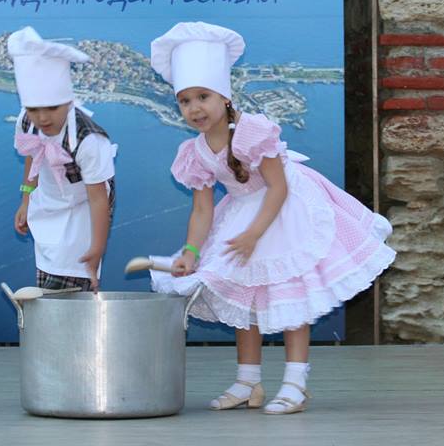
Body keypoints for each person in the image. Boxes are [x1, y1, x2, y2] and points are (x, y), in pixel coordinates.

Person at [148, 21, 395, 414]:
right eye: (184, 100)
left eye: (203, 97)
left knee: (291, 295)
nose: (194, 108)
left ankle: (296, 382)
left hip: (284, 210)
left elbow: (278, 187)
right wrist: (191, 251)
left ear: (224, 96)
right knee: (244, 298)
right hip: (242, 211)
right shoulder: (195, 152)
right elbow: (202, 209)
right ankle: (248, 382)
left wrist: (254, 234)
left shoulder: (252, 132)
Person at [9, 26, 117, 293]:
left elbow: (99, 199)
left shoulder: (88, 140)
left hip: (86, 206)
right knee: (48, 269)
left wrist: (97, 248)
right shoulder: (27, 121)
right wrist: (26, 199)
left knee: (73, 273)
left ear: (68, 101)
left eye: (52, 108)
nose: (43, 118)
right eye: (34, 109)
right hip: (50, 200)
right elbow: (32, 156)